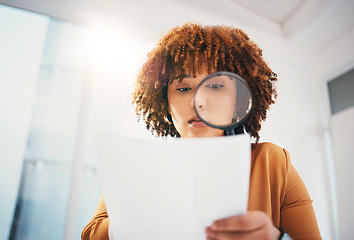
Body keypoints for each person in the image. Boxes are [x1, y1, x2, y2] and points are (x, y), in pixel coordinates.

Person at [82, 23, 321, 240]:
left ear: (238, 101)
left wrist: (276, 237)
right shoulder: (137, 163)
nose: (199, 103)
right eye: (184, 88)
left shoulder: (273, 162)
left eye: (216, 86)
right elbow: (92, 234)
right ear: (165, 101)